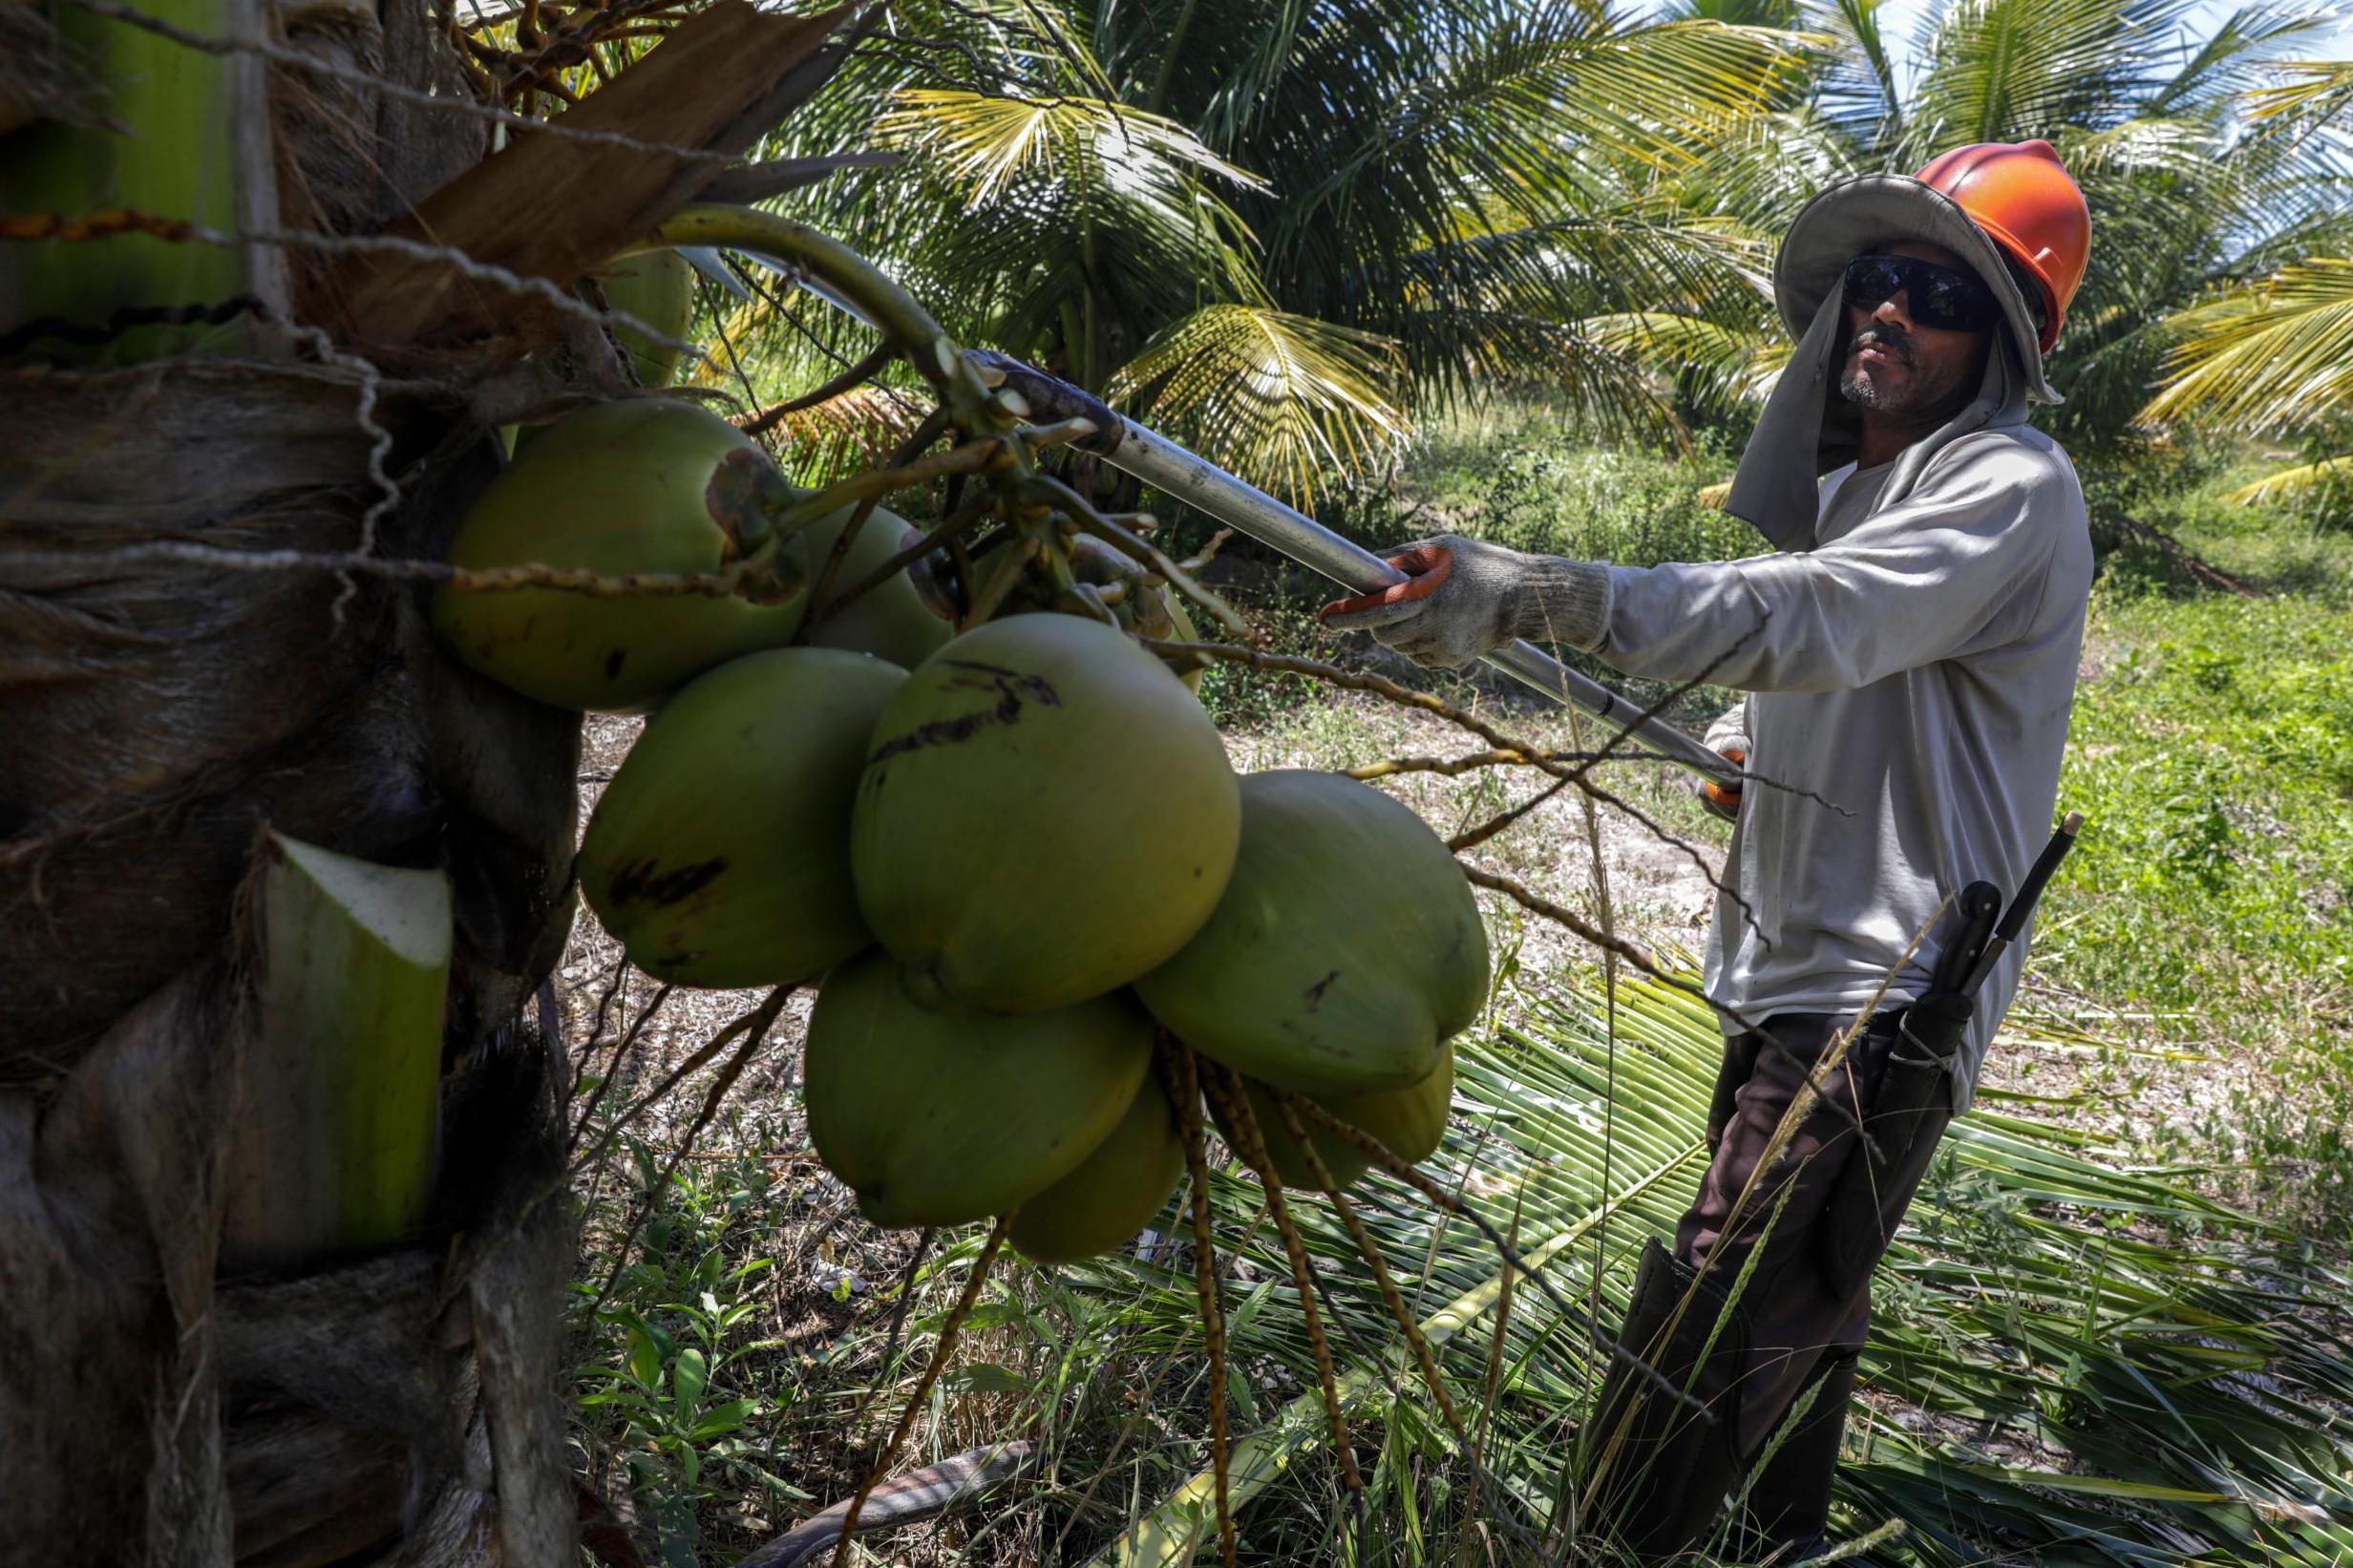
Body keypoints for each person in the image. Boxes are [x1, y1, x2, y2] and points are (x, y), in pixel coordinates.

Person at [1322, 141, 2095, 1560]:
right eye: (1880, 277)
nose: (1891, 310)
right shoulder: (1867, 491)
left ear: (2000, 340)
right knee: (1796, 1307)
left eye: (1939, 291)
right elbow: (1827, 666)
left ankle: (1606, 1552)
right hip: (1792, 977)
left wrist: (1544, 592)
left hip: (1883, 1000)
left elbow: (1814, 618)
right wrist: (1763, 761)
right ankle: (1773, 1547)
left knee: (1707, 1316)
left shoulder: (2010, 483)